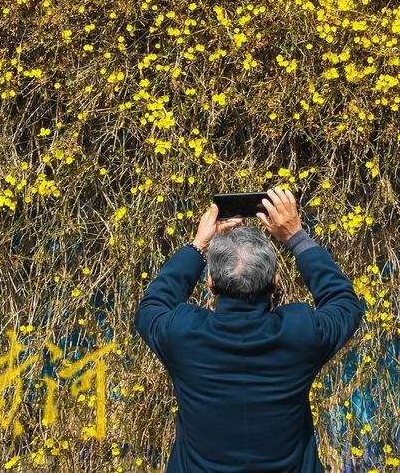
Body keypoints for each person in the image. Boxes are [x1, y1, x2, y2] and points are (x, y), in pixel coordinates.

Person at [135, 187, 365, 472]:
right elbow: (344, 304)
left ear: (210, 284)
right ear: (276, 281)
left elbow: (152, 306)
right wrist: (296, 236)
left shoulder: (182, 334)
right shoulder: (301, 333)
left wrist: (197, 245)